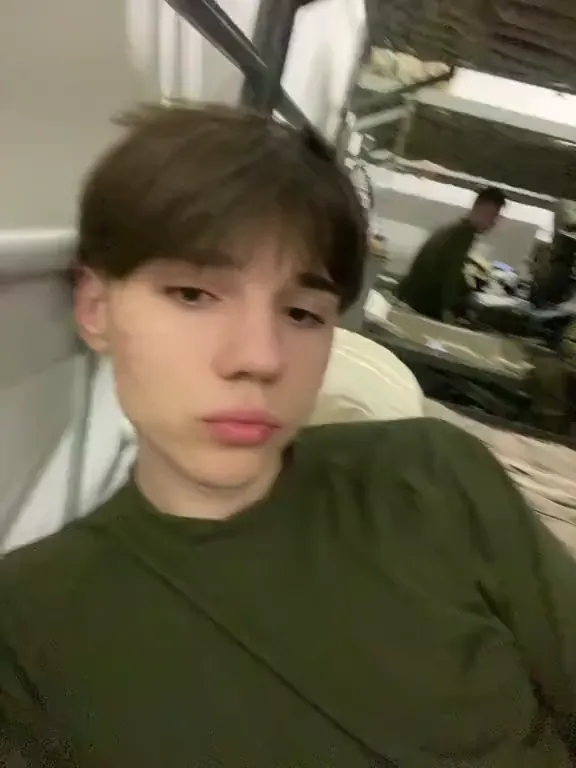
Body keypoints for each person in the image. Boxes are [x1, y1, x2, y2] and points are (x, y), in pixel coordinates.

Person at [0, 106, 575, 767]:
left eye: (302, 313)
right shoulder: (30, 629)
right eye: (193, 295)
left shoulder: (433, 479)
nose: (261, 357)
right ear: (96, 309)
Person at [397, 186, 507, 321]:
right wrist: (447, 311)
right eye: (492, 215)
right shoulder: (463, 235)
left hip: (411, 298)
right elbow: (450, 275)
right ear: (480, 209)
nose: (493, 223)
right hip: (422, 305)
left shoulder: (454, 229)